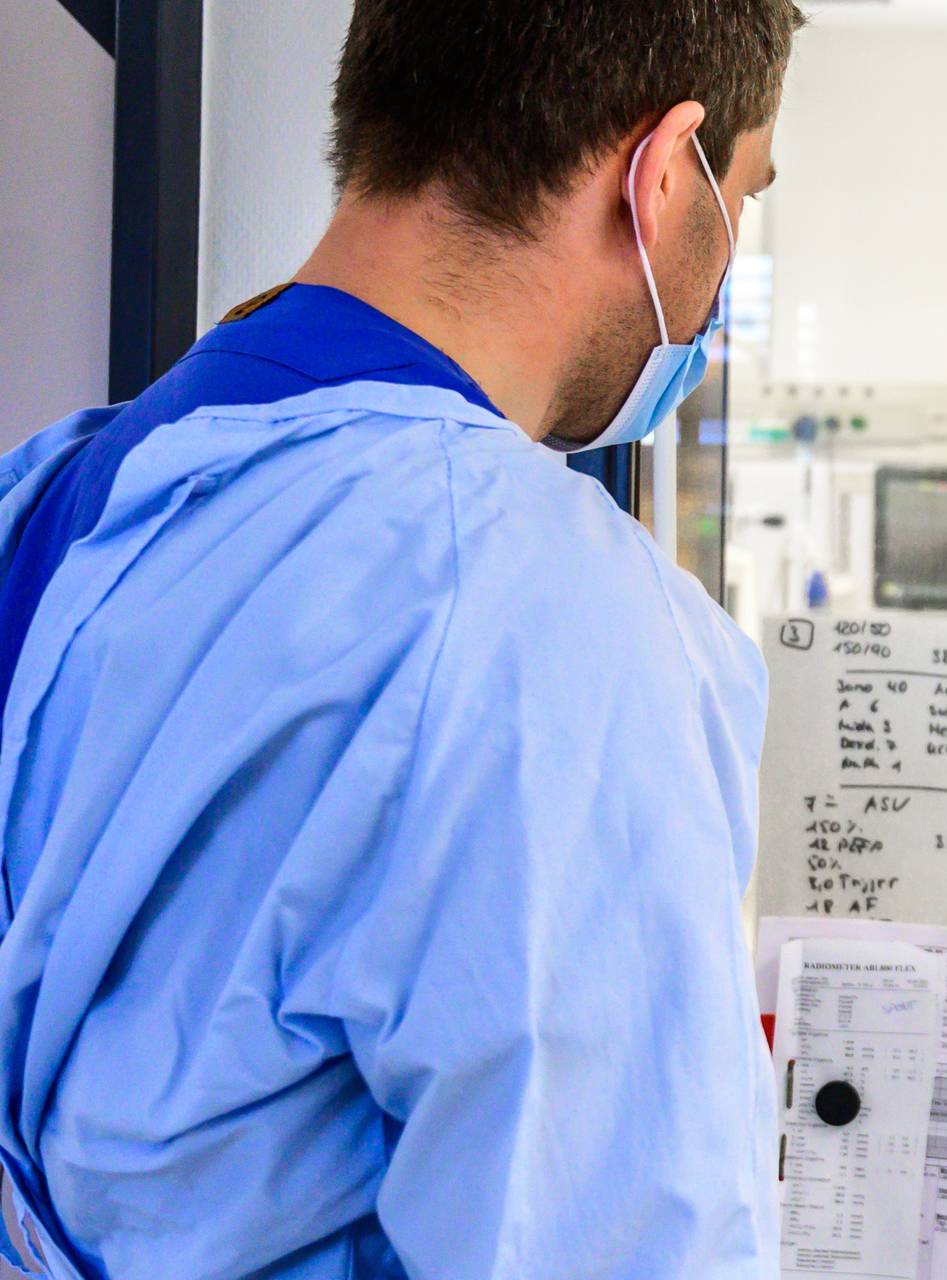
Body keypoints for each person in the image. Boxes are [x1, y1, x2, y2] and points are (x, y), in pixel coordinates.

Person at [0, 3, 802, 1276]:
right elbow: (621, 1236)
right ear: (663, 174)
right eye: (742, 196)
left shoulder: (63, 493)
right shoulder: (545, 613)